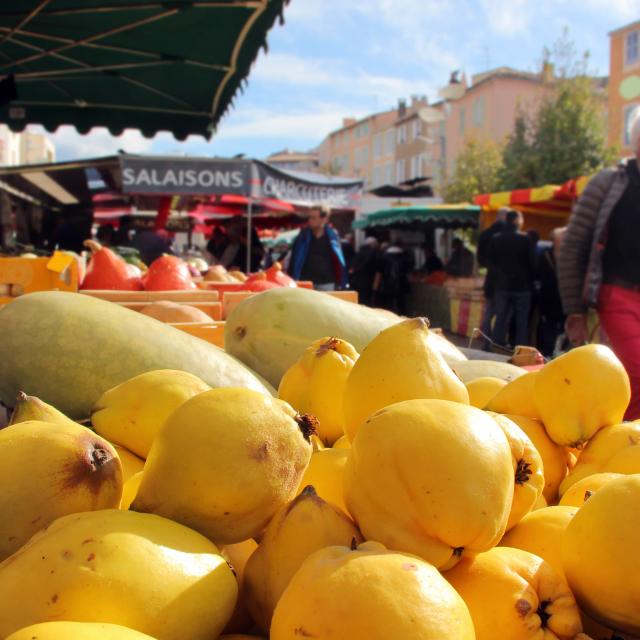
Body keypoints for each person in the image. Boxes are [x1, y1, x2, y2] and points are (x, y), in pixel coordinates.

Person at [558, 108, 640, 420]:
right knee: (635, 370)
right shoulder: (608, 183)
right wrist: (574, 310)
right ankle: (624, 443)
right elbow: (574, 245)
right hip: (617, 293)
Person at [488, 209, 536, 347]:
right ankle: (521, 350)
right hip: (522, 287)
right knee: (522, 321)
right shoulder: (525, 239)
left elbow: (491, 263)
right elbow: (533, 264)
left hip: (502, 286)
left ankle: (496, 346)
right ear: (516, 221)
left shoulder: (496, 239)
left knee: (500, 318)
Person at [289, 206, 347, 290]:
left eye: (313, 218)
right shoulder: (303, 236)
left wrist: (341, 282)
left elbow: (340, 261)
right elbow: (294, 258)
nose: (310, 220)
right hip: (306, 282)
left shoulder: (333, 237)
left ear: (324, 219)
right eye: (309, 217)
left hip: (327, 282)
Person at [477, 208, 508, 349]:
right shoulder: (507, 235)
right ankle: (497, 343)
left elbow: (480, 259)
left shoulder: (485, 234)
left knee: (489, 313)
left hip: (490, 279)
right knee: (502, 314)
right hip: (505, 281)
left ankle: (486, 343)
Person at [536, 227, 567, 357]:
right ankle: (547, 351)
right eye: (560, 239)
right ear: (553, 241)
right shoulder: (545, 255)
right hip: (548, 297)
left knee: (564, 326)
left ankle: (561, 351)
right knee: (548, 325)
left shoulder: (570, 257)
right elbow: (538, 274)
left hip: (564, 298)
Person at [373, 238, 413, 314]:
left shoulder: (384, 256)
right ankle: (402, 317)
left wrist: (375, 288)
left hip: (387, 284)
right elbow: (408, 272)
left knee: (389, 304)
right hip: (401, 284)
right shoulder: (404, 256)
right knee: (401, 303)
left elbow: (379, 273)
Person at [350, 236, 380, 306]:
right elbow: (372, 265)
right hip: (368, 280)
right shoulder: (373, 253)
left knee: (360, 299)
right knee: (367, 300)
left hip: (357, 280)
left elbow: (353, 265)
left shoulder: (359, 252)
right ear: (373, 245)